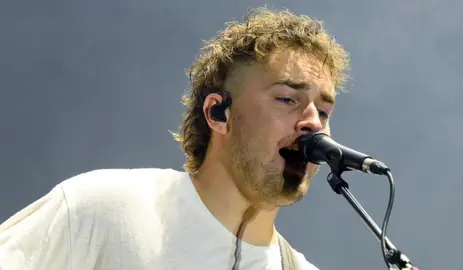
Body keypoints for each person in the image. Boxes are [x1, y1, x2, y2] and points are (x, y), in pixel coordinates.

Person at [0, 6, 349, 270]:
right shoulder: (105, 208)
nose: (312, 124)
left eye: (323, 112)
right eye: (287, 99)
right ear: (218, 112)